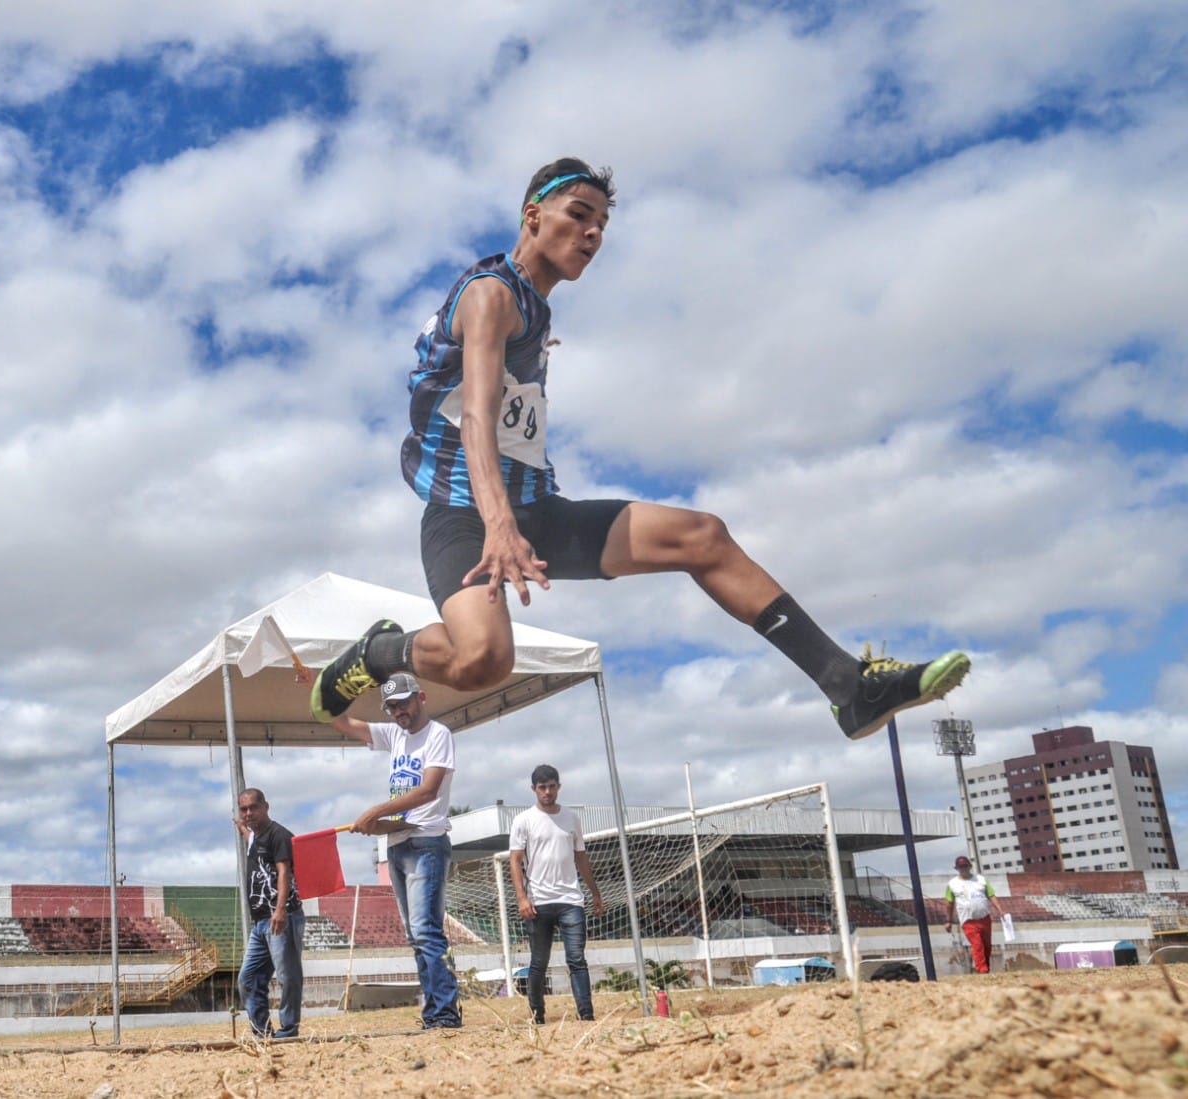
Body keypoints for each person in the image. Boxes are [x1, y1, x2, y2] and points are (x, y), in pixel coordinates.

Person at [309, 157, 970, 742]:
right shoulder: (490, 297)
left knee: (702, 535)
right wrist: (499, 525)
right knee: (485, 660)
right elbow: (477, 417)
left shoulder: (536, 310)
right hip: (466, 516)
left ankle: (847, 685)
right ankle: (381, 651)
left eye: (602, 225)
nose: (593, 234)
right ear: (532, 216)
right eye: (579, 215)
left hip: (536, 508)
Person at [331, 673, 462, 1029]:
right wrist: (324, 688)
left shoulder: (438, 735)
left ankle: (446, 1013)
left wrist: (376, 811)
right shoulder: (393, 734)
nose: (397, 712)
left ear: (421, 697)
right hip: (398, 842)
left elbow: (428, 791)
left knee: (426, 932)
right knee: (415, 936)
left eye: (402, 703)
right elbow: (342, 723)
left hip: (427, 840)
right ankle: (434, 1013)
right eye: (390, 707)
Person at [508, 765, 603, 1024]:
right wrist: (522, 898)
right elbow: (515, 861)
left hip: (571, 899)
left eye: (551, 786)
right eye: (542, 787)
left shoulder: (571, 818)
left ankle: (586, 1014)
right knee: (539, 962)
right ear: (534, 789)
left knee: (577, 959)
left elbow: (581, 857)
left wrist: (595, 893)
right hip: (538, 901)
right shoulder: (523, 820)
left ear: (558, 786)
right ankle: (537, 1015)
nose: (547, 791)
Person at [234, 787, 306, 1039]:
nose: (249, 813)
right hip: (260, 923)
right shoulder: (255, 838)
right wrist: (241, 827)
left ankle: (289, 1028)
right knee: (248, 977)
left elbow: (284, 872)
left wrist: (280, 910)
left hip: (280, 918)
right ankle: (262, 1031)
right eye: (243, 809)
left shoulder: (279, 835)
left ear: (266, 806)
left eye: (254, 807)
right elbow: (249, 837)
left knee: (288, 975)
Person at [943, 855, 1001, 974]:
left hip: (984, 918)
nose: (963, 869)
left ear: (970, 866)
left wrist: (1000, 910)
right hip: (968, 920)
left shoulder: (981, 880)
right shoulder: (953, 884)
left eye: (965, 866)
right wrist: (948, 921)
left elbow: (991, 895)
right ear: (957, 869)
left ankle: (985, 968)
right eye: (960, 867)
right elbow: (949, 903)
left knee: (986, 945)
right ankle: (982, 970)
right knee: (977, 945)